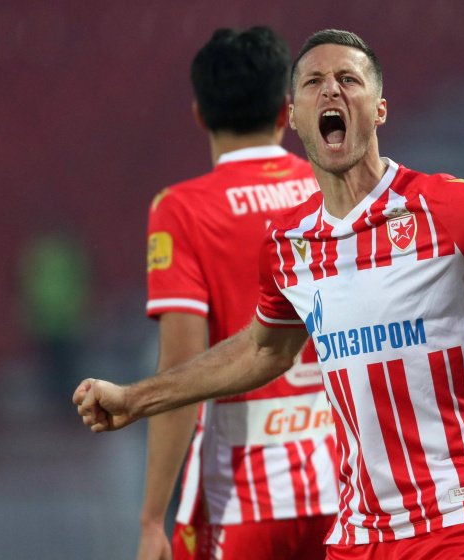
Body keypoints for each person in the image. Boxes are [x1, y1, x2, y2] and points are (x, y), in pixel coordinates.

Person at [75, 29, 464, 560]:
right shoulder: (288, 244)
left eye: (348, 79)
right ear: (293, 117)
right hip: (360, 535)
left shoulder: (452, 208)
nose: (331, 89)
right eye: (313, 82)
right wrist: (136, 399)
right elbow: (261, 350)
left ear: (379, 109)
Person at [136, 27, 338, 560]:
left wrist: (152, 517)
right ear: (286, 111)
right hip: (347, 491)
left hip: (243, 498)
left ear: (200, 114)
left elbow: (181, 366)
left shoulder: (181, 210)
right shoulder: (331, 189)